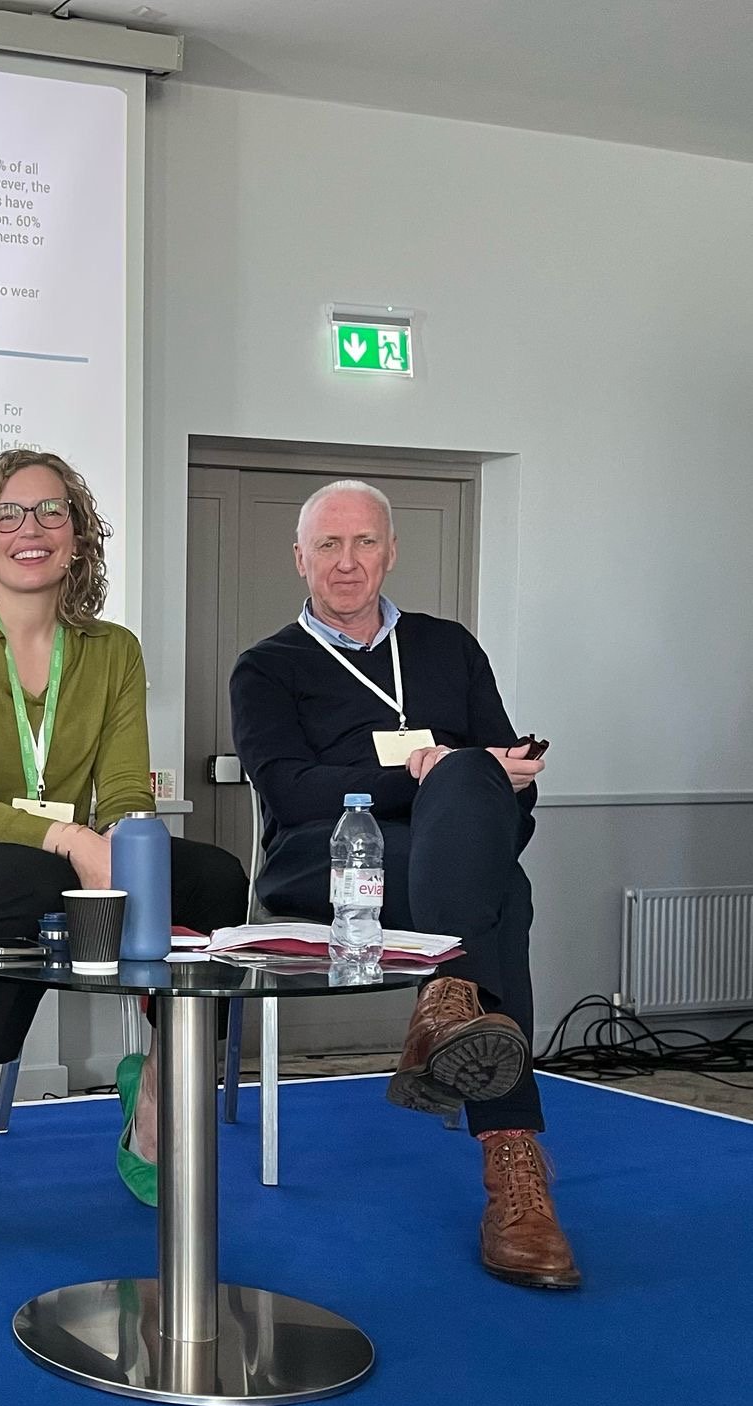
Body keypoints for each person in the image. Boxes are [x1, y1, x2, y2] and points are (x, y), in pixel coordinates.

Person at [0, 449, 248, 1225]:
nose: (30, 529)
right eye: (7, 513)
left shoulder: (112, 651)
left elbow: (123, 789)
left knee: (211, 876)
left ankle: (157, 1090)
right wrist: (74, 841)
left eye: (50, 511)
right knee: (32, 882)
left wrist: (126, 843)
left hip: (58, 855)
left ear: (77, 536)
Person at [229, 479, 578, 1290]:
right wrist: (423, 771)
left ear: (390, 551)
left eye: (363, 542)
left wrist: (486, 776)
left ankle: (452, 1016)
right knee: (500, 889)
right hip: (321, 856)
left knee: (470, 800)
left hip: (445, 849)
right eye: (327, 545)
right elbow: (289, 792)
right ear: (299, 558)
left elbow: (505, 782)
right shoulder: (266, 666)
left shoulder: (447, 646)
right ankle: (510, 1153)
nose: (346, 562)